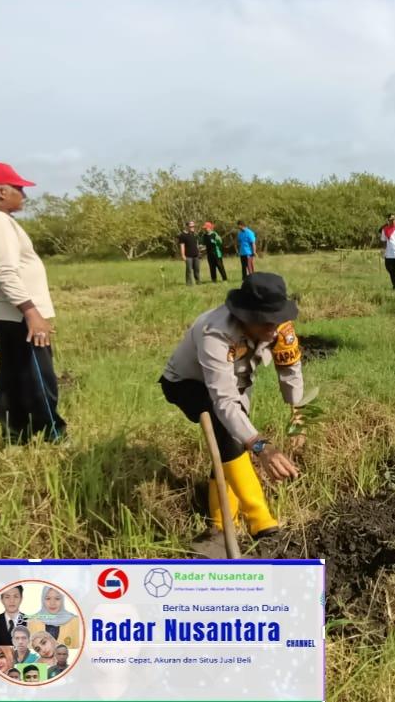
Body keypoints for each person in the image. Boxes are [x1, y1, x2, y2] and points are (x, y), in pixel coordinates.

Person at [159, 273, 306, 556]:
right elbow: (223, 401)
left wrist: (297, 413)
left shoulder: (279, 326)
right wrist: (262, 447)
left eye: (277, 320)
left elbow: (290, 368)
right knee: (229, 433)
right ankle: (262, 523)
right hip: (187, 384)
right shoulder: (215, 332)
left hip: (237, 383)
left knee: (232, 443)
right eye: (265, 322)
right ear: (246, 316)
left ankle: (218, 524)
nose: (273, 329)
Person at [0, 161, 67, 444]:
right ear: (2, 191)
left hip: (6, 311)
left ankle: (15, 433)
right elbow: (6, 272)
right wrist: (32, 313)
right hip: (18, 313)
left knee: (12, 375)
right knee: (38, 374)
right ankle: (53, 432)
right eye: (19, 189)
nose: (23, 195)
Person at [178, 221, 202, 286]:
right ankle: (189, 283)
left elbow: (196, 244)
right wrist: (183, 255)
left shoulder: (194, 234)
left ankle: (198, 281)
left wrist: (199, 252)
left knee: (197, 269)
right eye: (191, 226)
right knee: (189, 270)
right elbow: (182, 246)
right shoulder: (182, 235)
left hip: (196, 255)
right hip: (188, 256)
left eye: (193, 226)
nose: (193, 228)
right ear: (187, 227)